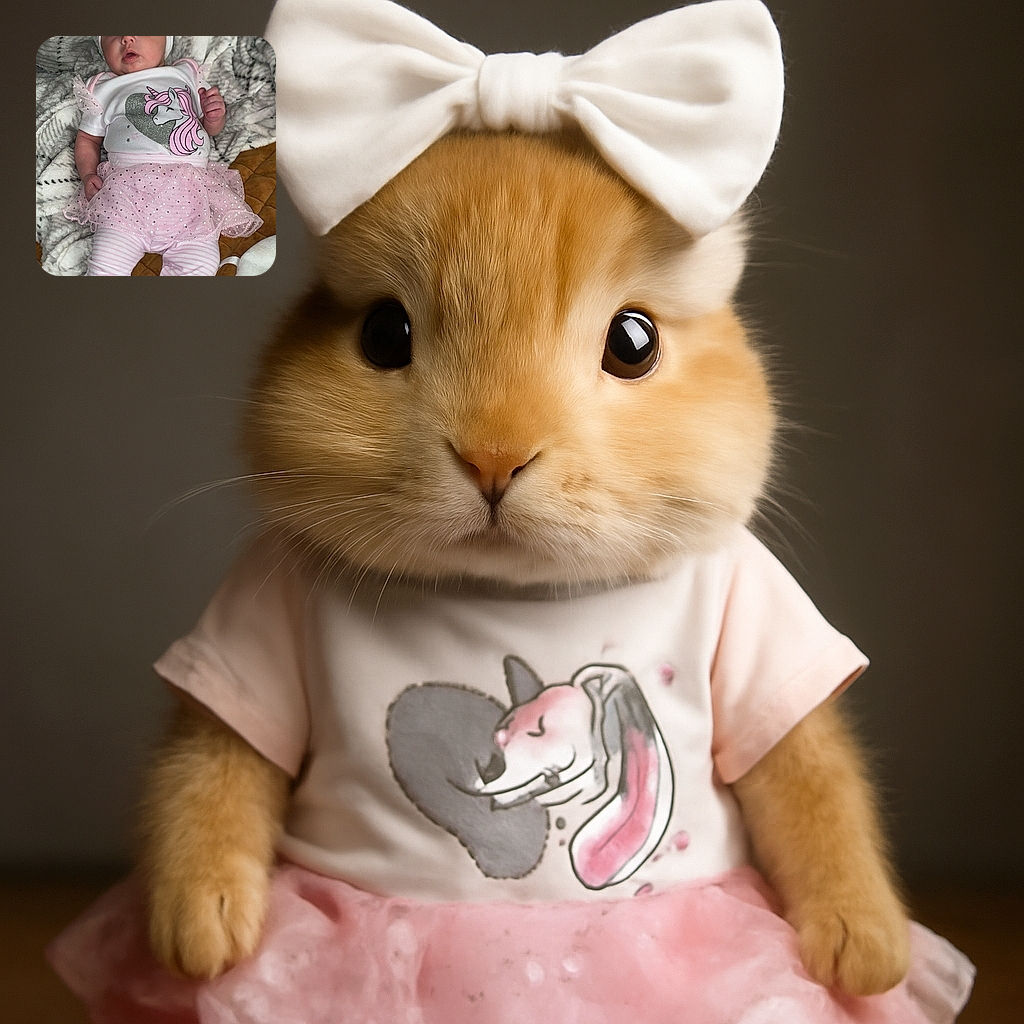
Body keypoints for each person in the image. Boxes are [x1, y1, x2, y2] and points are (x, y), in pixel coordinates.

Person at [65, 35, 262, 276]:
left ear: (166, 42)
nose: (126, 38)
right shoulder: (104, 88)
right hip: (127, 195)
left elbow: (210, 129)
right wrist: (87, 174)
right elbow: (87, 139)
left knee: (203, 265)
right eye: (113, 34)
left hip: (189, 197)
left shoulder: (184, 74)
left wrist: (214, 116)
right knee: (106, 263)